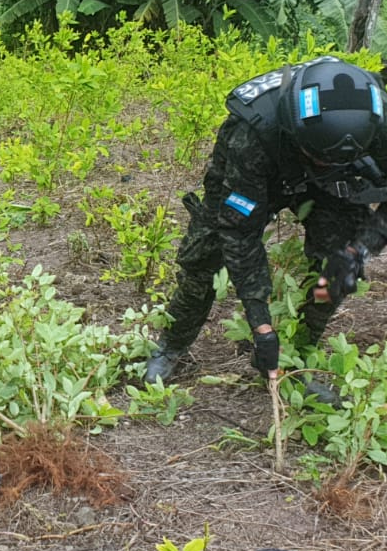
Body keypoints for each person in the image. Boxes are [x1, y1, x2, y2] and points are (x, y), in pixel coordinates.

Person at [144, 56, 387, 401]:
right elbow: (240, 233)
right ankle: (173, 343)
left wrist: (358, 249)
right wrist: (261, 325)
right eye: (320, 156)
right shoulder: (251, 132)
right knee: (205, 255)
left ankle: (297, 357)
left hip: (332, 183)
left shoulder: (375, 121)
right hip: (263, 168)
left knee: (337, 269)